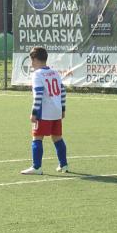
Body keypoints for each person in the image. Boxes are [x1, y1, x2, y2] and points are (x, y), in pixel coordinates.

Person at [21, 47, 68, 175]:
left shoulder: (37, 74)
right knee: (57, 138)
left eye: (31, 60)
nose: (31, 64)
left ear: (35, 60)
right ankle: (63, 164)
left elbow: (38, 94)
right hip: (56, 111)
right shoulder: (55, 72)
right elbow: (63, 92)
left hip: (44, 112)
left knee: (37, 137)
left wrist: (34, 113)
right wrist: (63, 109)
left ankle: (37, 167)